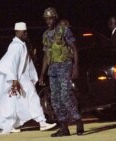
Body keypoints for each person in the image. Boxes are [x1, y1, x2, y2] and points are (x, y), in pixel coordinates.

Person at [0, 22, 56, 135]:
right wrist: (14, 80)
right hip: (18, 79)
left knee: (25, 100)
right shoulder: (15, 46)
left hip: (23, 79)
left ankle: (41, 122)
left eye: (26, 31)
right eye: (23, 32)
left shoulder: (21, 44)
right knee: (18, 101)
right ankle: (40, 122)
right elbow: (11, 64)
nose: (26, 33)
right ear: (17, 32)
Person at [39, 7, 84, 137]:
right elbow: (46, 55)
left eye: (51, 18)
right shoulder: (46, 35)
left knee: (66, 95)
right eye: (46, 19)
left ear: (55, 18)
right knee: (55, 99)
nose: (48, 21)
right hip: (52, 69)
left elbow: (74, 49)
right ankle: (64, 127)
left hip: (65, 66)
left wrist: (75, 67)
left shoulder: (64, 30)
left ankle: (78, 120)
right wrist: (42, 73)